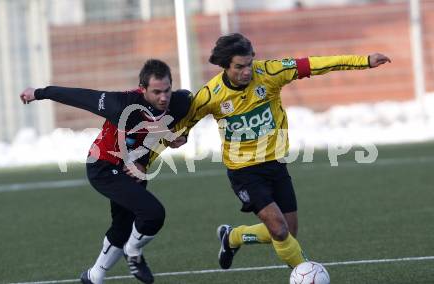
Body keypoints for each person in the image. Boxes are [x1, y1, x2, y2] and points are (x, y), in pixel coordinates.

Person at [174, 33, 391, 271]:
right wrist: (177, 137)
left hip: (275, 164)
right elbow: (184, 123)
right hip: (243, 171)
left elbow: (314, 64)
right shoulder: (210, 95)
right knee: (279, 229)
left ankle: (233, 237)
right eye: (239, 67)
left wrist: (364, 60)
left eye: (249, 64)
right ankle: (305, 271)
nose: (247, 71)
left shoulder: (270, 72)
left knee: (287, 230)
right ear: (225, 65)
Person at [19, 59, 191, 284]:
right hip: (103, 166)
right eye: (156, 91)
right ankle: (134, 251)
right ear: (143, 89)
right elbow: (79, 96)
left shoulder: (180, 103)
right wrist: (39, 93)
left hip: (133, 170)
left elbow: (178, 124)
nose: (163, 97)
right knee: (153, 214)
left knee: (122, 226)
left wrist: (180, 136)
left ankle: (94, 276)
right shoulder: (120, 104)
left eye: (167, 90)